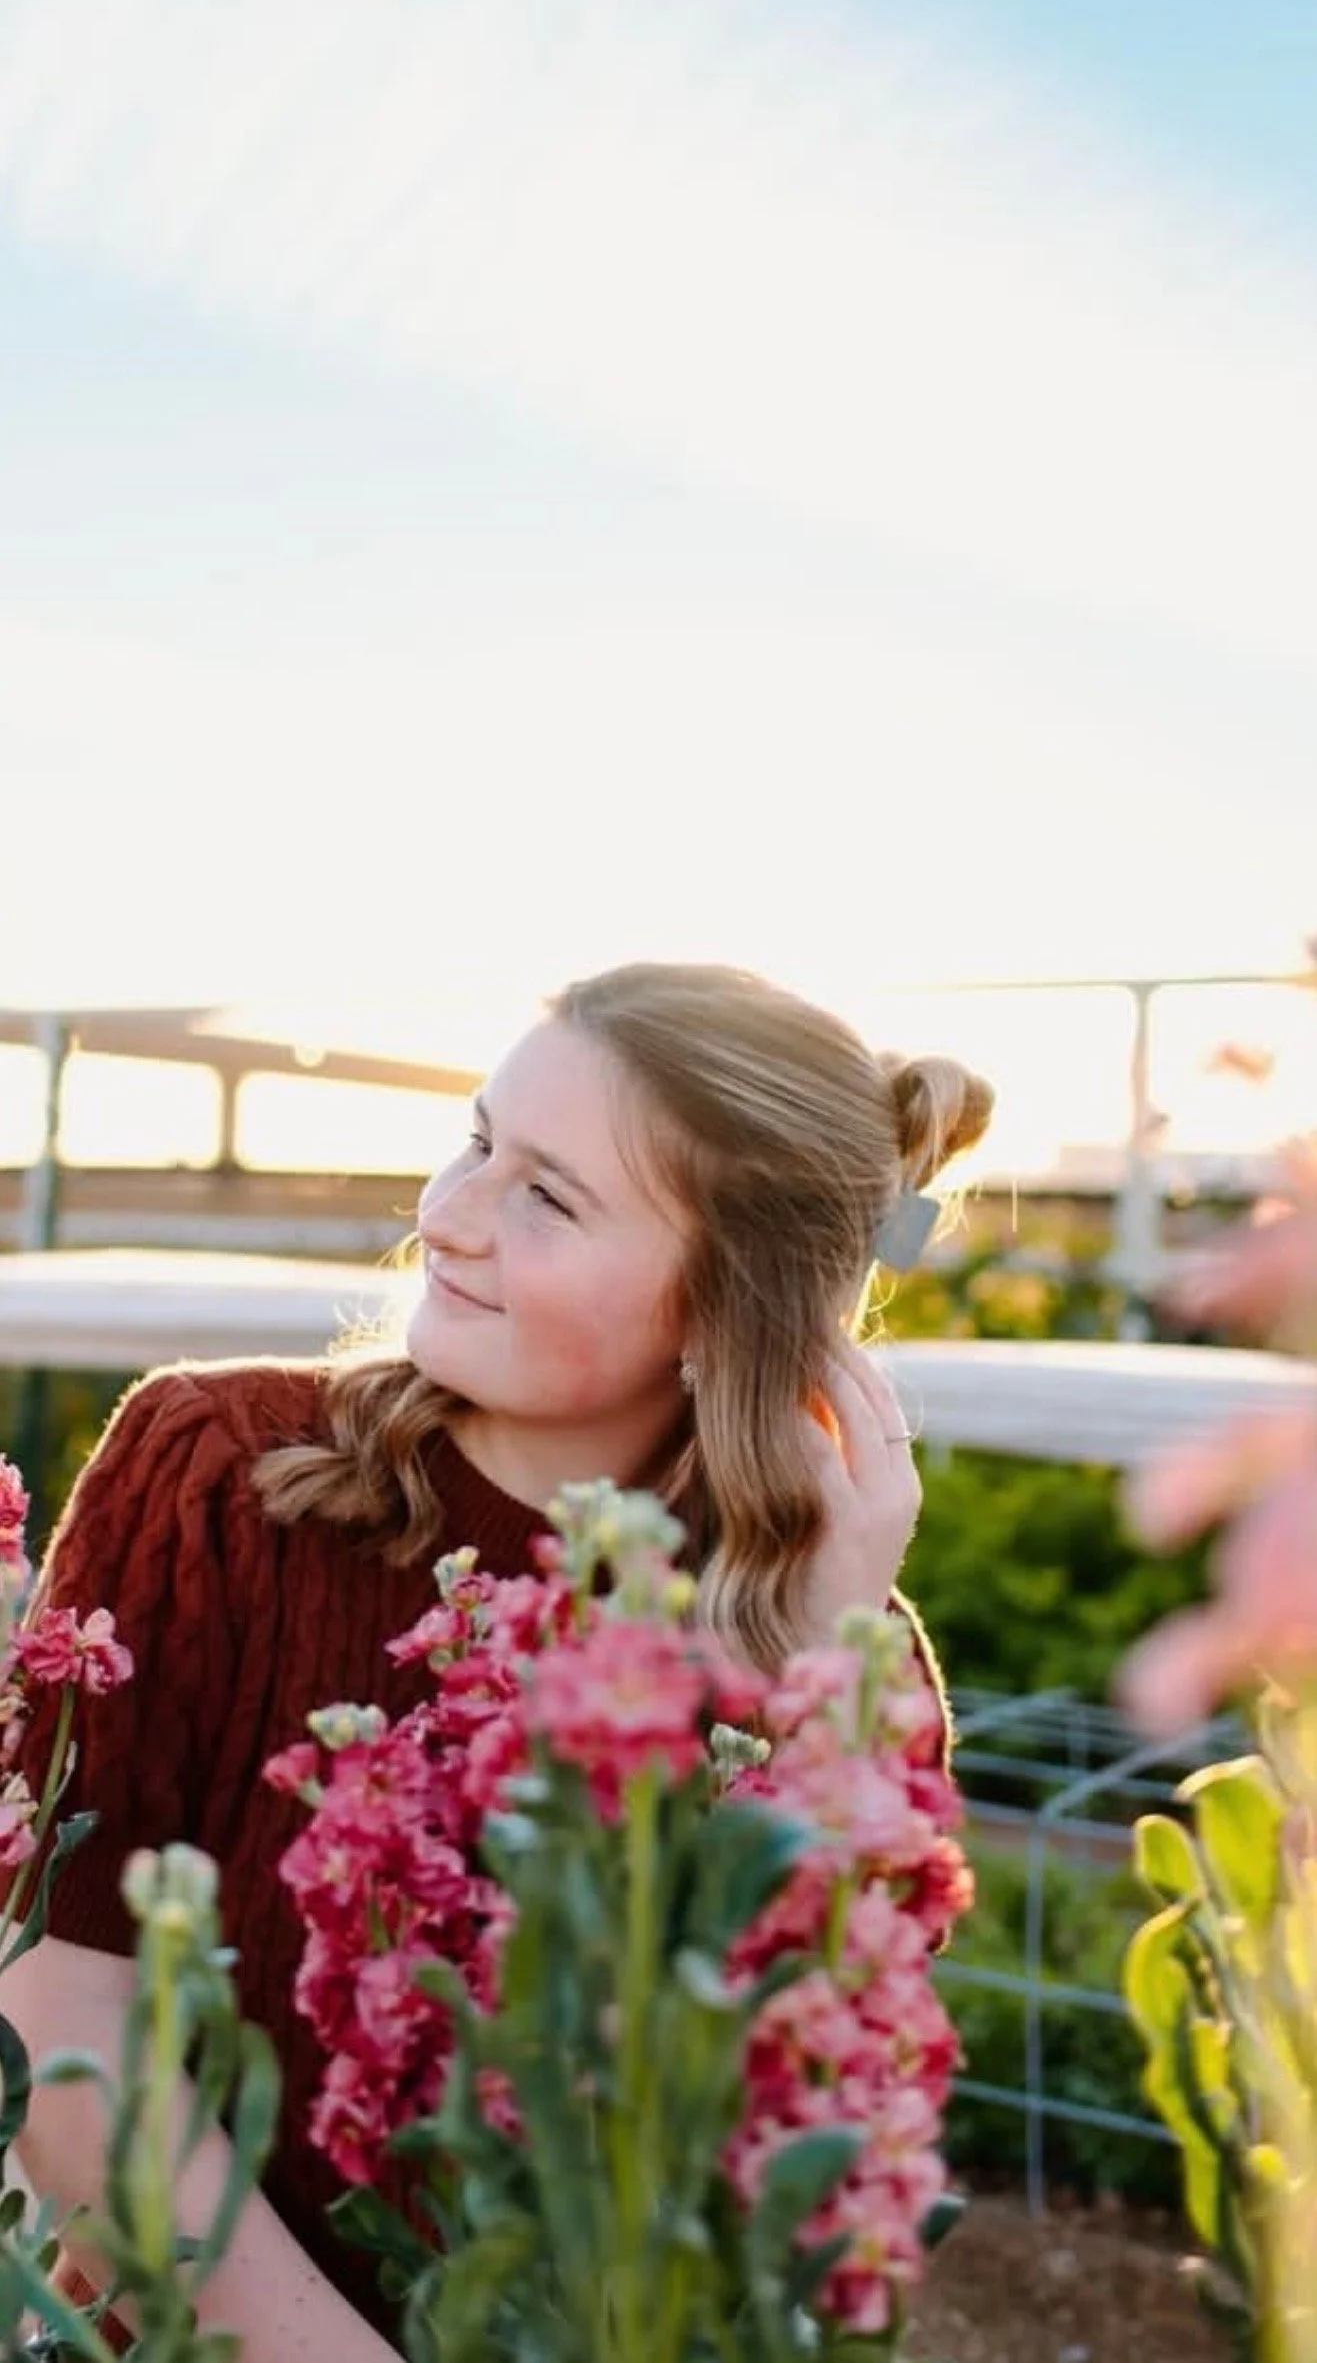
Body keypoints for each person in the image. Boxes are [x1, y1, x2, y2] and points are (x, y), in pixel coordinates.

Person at [8, 960, 993, 2359]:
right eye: (478, 1140)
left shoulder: (848, 1657)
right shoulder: (221, 1475)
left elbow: (774, 2156)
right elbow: (62, 2024)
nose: (448, 1215)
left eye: (550, 1193)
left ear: (725, 1310)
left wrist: (807, 1681)